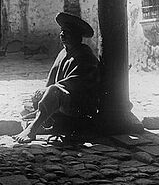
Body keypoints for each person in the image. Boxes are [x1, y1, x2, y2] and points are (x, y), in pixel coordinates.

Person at [14, 12, 100, 143]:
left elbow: (76, 84)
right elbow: (52, 79)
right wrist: (42, 92)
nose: (62, 35)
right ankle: (46, 121)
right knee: (33, 99)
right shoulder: (63, 52)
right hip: (65, 99)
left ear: (77, 36)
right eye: (61, 31)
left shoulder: (85, 55)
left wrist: (49, 91)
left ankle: (33, 128)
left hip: (80, 104)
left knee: (53, 91)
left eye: (67, 32)